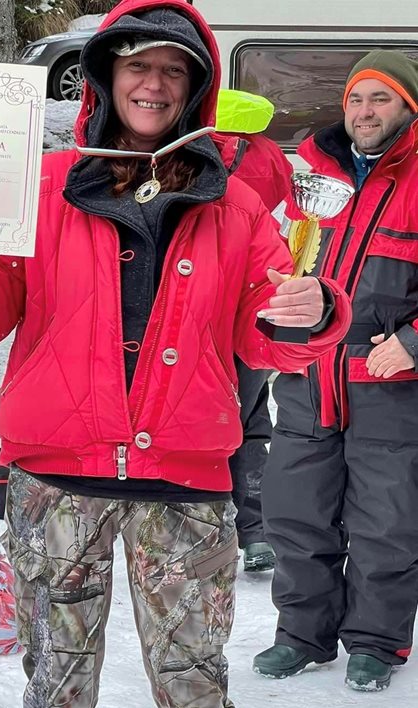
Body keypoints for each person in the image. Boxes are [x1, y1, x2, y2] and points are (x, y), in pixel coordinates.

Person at [0, 2, 350, 708]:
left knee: (196, 689)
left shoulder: (237, 202)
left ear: (196, 88)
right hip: (54, 482)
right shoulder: (47, 181)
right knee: (56, 691)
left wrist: (310, 311)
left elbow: (265, 331)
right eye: (137, 64)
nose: (153, 82)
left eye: (174, 70)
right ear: (105, 76)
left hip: (186, 488)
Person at [253, 49, 418, 692]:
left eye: (379, 99)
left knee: (387, 519)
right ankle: (303, 634)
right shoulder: (315, 176)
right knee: (297, 511)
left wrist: (411, 343)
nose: (364, 111)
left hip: (389, 380)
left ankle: (376, 641)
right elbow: (282, 265)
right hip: (310, 372)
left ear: (407, 107)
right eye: (356, 98)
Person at [213, 90, 294, 573]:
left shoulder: (202, 149)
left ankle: (212, 530)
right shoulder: (267, 155)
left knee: (209, 422)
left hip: (209, 305)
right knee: (250, 420)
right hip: (261, 300)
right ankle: (256, 531)